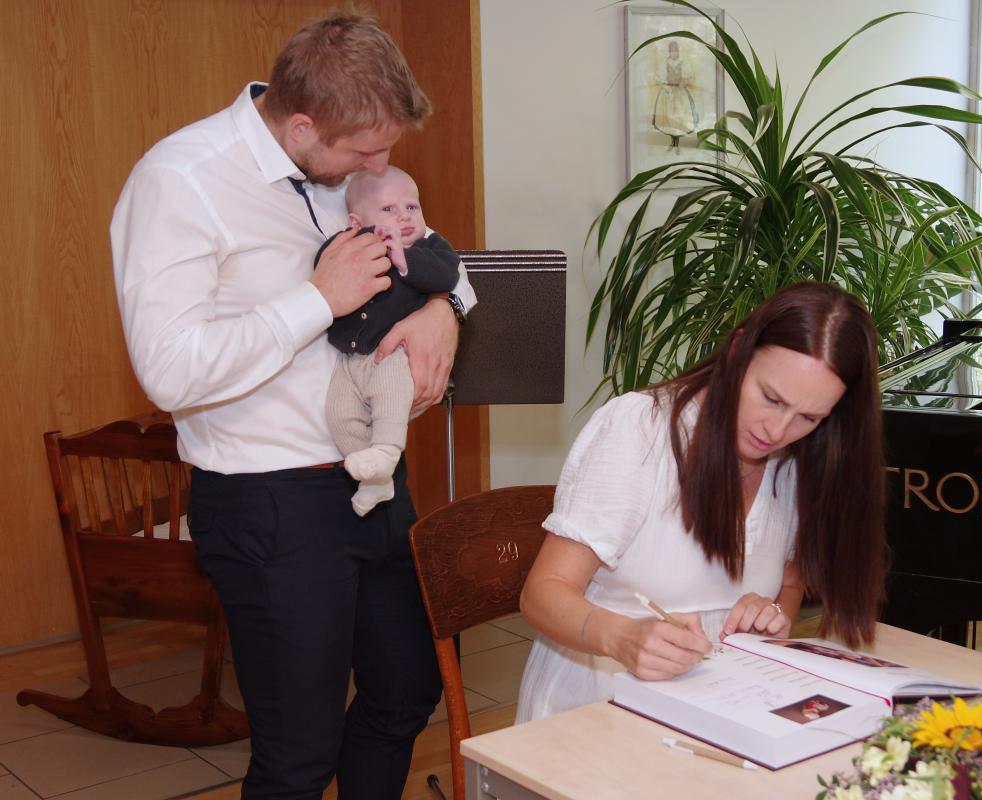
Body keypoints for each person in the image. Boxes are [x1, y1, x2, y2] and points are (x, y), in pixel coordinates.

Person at [110, 13, 476, 800]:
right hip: (270, 502)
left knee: (407, 692)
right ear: (302, 125)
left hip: (376, 483)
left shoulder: (350, 164)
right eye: (364, 152)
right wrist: (316, 300)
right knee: (298, 757)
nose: (381, 167)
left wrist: (443, 309)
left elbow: (440, 261)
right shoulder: (181, 180)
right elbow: (169, 371)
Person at [515, 281, 886, 723]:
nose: (776, 430)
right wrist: (621, 637)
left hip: (726, 704)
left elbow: (789, 585)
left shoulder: (799, 461)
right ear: (738, 349)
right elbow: (541, 593)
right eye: (771, 398)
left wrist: (769, 616)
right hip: (596, 705)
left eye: (808, 417)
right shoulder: (641, 430)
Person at [324, 166, 461, 516]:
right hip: (350, 358)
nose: (404, 216)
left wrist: (403, 258)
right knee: (339, 413)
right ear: (356, 223)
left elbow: (449, 273)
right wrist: (364, 241)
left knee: (389, 401)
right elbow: (323, 264)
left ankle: (386, 451)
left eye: (412, 207)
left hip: (394, 354)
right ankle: (374, 478)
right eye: (389, 210)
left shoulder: (429, 247)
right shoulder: (350, 245)